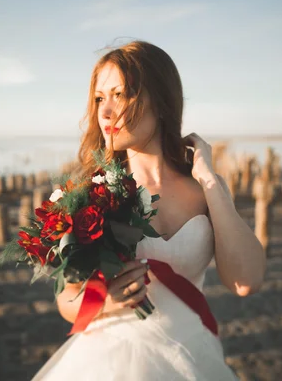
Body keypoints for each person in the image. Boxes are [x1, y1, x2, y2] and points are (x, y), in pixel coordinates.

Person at [31, 40, 266, 380]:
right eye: (100, 98)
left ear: (160, 99)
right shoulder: (90, 196)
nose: (106, 112)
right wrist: (107, 299)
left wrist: (209, 181)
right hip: (109, 361)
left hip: (192, 355)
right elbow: (66, 302)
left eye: (120, 95)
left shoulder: (205, 190)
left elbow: (247, 282)